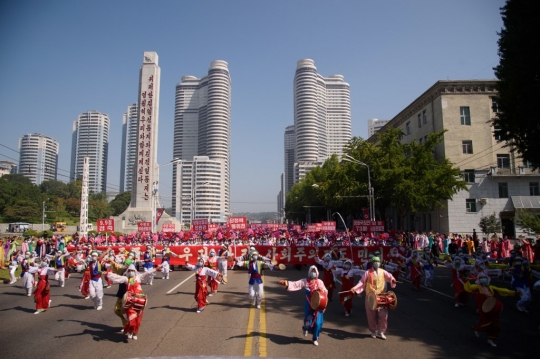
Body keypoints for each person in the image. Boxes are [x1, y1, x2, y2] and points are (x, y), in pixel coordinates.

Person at [278, 265, 328, 346]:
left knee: (318, 323)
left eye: (314, 272)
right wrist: (285, 283)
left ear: (317, 273)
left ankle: (315, 338)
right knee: (308, 320)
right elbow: (295, 284)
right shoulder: (305, 281)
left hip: (318, 305)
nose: (313, 273)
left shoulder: (319, 282)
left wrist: (322, 290)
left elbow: (326, 291)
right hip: (309, 303)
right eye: (312, 271)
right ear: (309, 272)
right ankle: (306, 328)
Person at [463, 272, 518, 347]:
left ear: (487, 279)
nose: (483, 279)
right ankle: (478, 329)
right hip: (483, 309)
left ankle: (490, 339)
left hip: (492, 308)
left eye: (484, 277)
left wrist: (514, 293)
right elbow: (468, 288)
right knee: (485, 322)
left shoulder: (491, 288)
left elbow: (502, 290)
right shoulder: (477, 287)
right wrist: (466, 281)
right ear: (479, 279)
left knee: (495, 325)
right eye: (481, 278)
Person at [350, 256, 397, 339]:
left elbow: (390, 277)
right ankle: (373, 330)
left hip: (381, 296)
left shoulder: (383, 272)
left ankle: (381, 331)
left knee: (383, 315)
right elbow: (361, 282)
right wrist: (355, 288)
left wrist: (392, 280)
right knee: (371, 315)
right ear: (372, 263)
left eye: (378, 261)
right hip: (370, 296)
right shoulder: (367, 272)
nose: (377, 263)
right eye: (375, 261)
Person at [107, 264, 154, 340]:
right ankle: (130, 332)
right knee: (131, 318)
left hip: (139, 301)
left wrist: (157, 268)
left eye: (132, 270)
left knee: (137, 320)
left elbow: (147, 273)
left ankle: (135, 333)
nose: (131, 272)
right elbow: (117, 278)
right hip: (130, 302)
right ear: (128, 272)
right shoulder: (126, 279)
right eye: (130, 271)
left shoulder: (138, 278)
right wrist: (108, 274)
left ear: (135, 271)